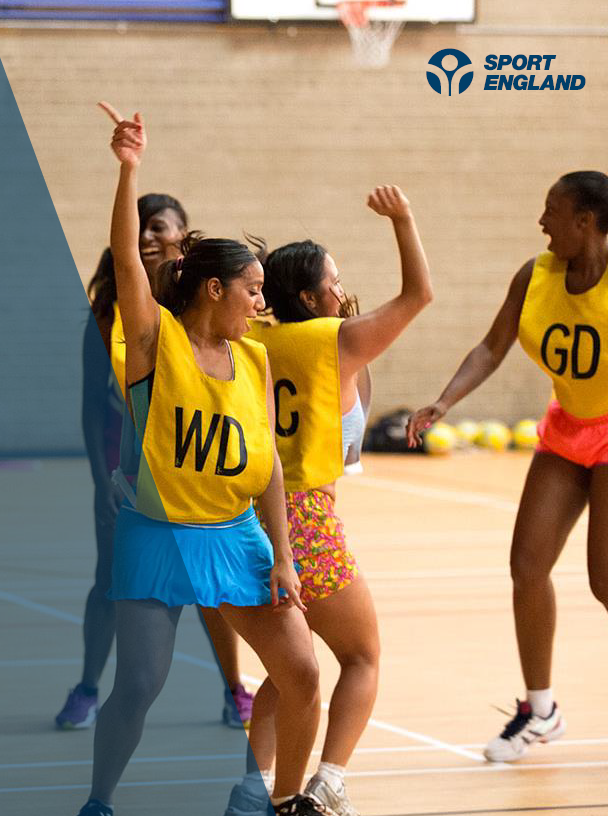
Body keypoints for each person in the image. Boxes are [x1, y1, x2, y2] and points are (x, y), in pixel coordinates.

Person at [74, 103, 325, 816]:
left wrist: (281, 553)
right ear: (215, 290)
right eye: (252, 290)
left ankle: (275, 799)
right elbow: (127, 259)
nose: (260, 302)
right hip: (157, 533)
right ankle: (98, 800)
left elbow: (269, 466)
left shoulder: (250, 356)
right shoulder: (154, 342)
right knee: (140, 686)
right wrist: (128, 170)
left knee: (302, 672)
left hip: (236, 534)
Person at [227, 187, 432, 816]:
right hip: (303, 519)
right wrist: (403, 219)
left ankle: (245, 790)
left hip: (240, 518)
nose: (343, 291)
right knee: (362, 656)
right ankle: (327, 783)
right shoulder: (333, 340)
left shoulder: (252, 340)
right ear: (313, 298)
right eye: (334, 282)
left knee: (288, 673)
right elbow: (419, 295)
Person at [407, 171, 608, 763]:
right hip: (567, 429)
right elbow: (491, 346)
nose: (541, 221)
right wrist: (445, 401)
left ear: (585, 222)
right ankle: (541, 710)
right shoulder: (536, 274)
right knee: (527, 566)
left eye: (552, 211)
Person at [58, 195, 253, 731]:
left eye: (164, 228)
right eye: (144, 226)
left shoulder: (198, 313)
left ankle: (235, 689)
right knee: (110, 582)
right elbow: (90, 409)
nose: (150, 235)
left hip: (200, 469)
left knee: (214, 588)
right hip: (133, 476)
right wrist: (102, 482)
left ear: (187, 241)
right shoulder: (108, 318)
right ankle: (88, 687)